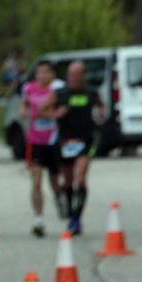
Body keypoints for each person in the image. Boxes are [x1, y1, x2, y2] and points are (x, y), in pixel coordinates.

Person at [54, 60, 104, 235]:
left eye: (76, 75)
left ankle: (76, 218)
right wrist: (55, 114)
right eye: (70, 75)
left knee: (80, 179)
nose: (72, 78)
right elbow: (40, 112)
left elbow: (101, 105)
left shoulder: (91, 92)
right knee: (67, 182)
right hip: (65, 142)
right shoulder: (59, 93)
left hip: (85, 141)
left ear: (83, 76)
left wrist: (100, 113)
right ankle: (69, 211)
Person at [20, 60, 61, 237]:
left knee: (54, 182)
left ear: (52, 74)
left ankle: (59, 199)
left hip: (54, 140)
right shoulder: (28, 88)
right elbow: (25, 105)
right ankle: (39, 219)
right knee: (36, 180)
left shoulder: (59, 89)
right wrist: (23, 110)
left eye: (45, 72)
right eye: (38, 73)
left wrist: (48, 112)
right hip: (34, 140)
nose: (41, 76)